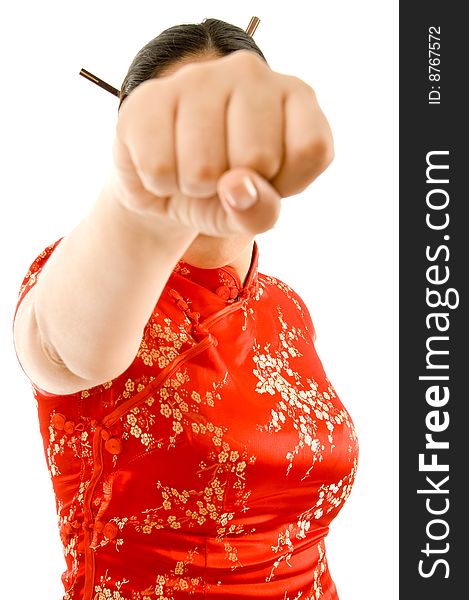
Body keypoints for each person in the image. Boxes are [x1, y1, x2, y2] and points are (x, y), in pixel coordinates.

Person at [13, 17, 359, 600]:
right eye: (178, 124)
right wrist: (147, 205)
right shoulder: (78, 285)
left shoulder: (286, 308)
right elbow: (63, 344)